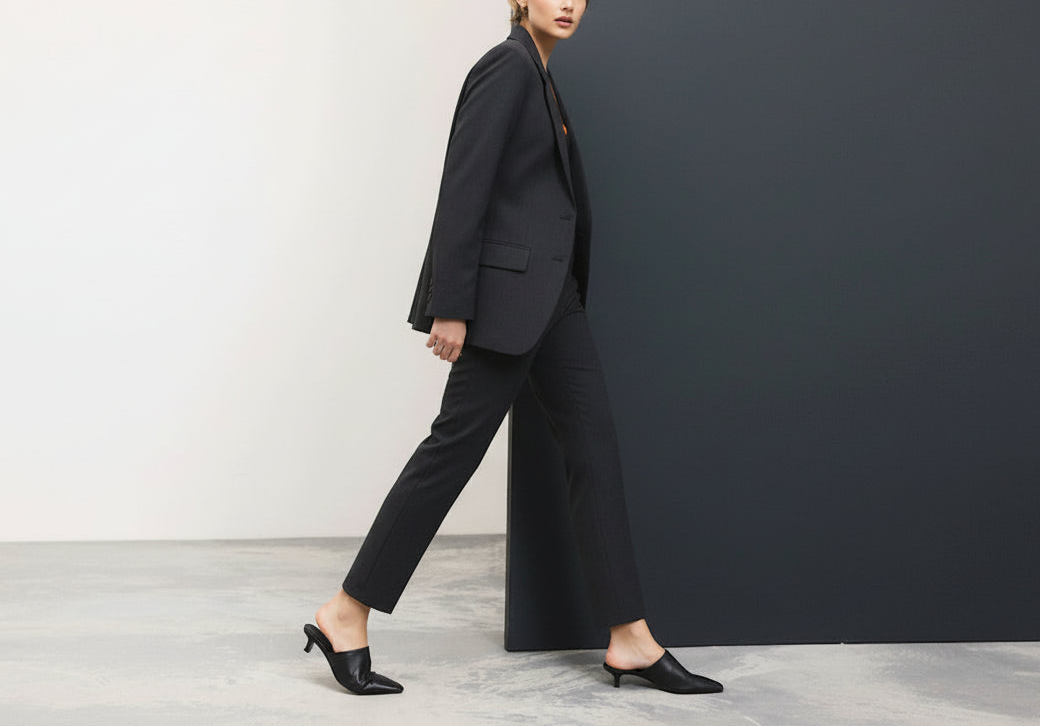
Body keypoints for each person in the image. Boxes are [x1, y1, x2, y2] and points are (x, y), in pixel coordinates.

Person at [303, 0, 724, 696]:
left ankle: (629, 636)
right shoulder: (505, 68)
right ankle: (346, 611)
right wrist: (452, 305)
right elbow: (463, 187)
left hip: (554, 301)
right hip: (503, 304)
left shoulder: (540, 74)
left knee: (594, 450)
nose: (568, 3)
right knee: (451, 453)